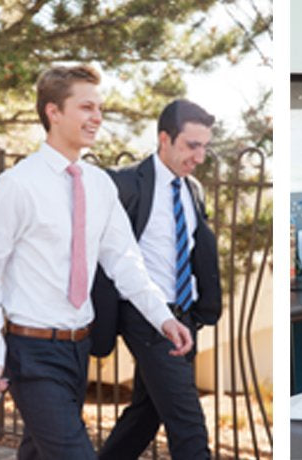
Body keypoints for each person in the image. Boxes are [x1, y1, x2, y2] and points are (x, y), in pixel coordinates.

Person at [0, 64, 194, 459]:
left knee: (39, 452)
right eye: (86, 107)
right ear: (53, 112)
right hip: (31, 352)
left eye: (99, 108)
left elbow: (125, 261)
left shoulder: (99, 184)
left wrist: (163, 317)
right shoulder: (17, 186)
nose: (97, 117)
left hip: (79, 348)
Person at [90, 99, 221, 460]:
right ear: (164, 138)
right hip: (145, 312)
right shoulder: (125, 184)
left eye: (205, 147)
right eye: (192, 145)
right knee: (188, 421)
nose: (200, 156)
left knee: (146, 414)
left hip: (184, 315)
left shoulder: (192, 189)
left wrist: (197, 312)